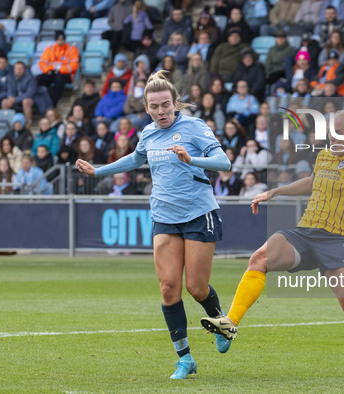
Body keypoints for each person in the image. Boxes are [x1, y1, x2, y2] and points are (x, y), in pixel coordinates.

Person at [201, 105, 344, 378]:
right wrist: (275, 191)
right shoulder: (325, 156)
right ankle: (230, 322)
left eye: (341, 133)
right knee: (259, 259)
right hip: (306, 232)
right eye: (331, 133)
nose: (333, 138)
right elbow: (312, 182)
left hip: (338, 240)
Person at [75, 71, 233, 379]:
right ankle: (185, 359)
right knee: (168, 287)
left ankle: (220, 322)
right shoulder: (147, 133)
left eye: (165, 105)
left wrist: (193, 160)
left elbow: (224, 162)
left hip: (199, 214)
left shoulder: (195, 127)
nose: (161, 112)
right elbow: (135, 159)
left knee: (196, 287)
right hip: (164, 217)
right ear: (147, 108)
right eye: (154, 107)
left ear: (176, 103)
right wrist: (98, 171)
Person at [37, 31, 80, 106]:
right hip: (51, 73)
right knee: (39, 79)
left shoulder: (72, 49)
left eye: (62, 39)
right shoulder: (49, 49)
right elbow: (42, 64)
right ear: (56, 40)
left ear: (65, 39)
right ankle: (40, 101)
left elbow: (73, 66)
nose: (60, 41)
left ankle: (53, 104)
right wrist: (52, 68)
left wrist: (59, 69)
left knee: (59, 79)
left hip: (66, 75)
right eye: (58, 39)